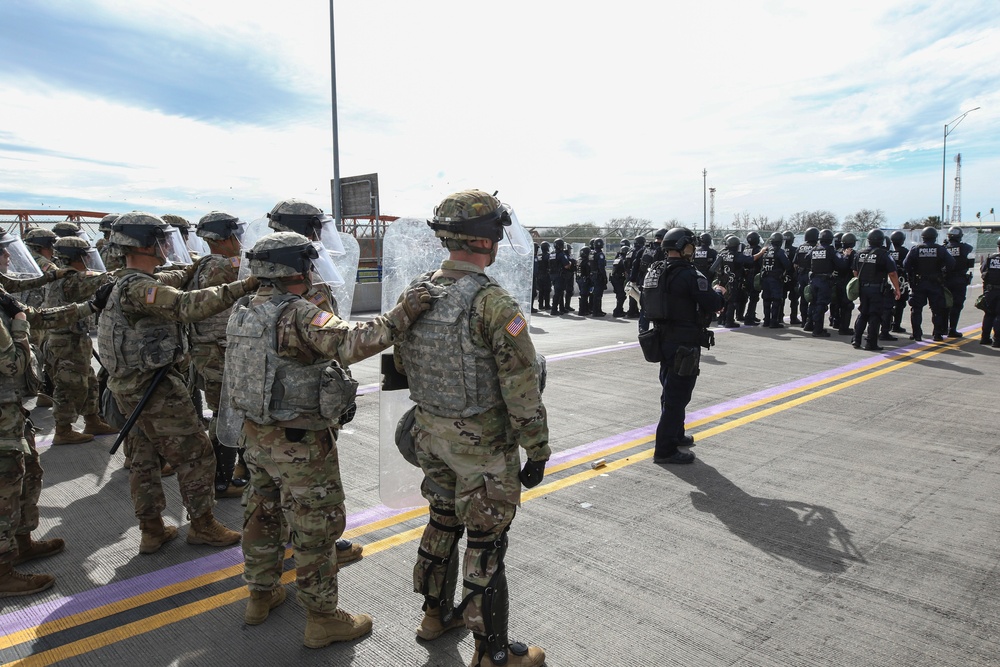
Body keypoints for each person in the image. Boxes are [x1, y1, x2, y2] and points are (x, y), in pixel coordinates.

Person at [228, 231, 430, 647]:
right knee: (315, 526)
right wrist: (402, 312)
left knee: (261, 513)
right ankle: (323, 618)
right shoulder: (299, 313)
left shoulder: (245, 309)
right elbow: (352, 343)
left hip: (255, 436)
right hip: (299, 443)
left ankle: (260, 595)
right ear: (295, 269)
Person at [395, 189, 548, 667]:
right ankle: (493, 653)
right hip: (481, 448)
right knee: (486, 542)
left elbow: (399, 364)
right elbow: (521, 390)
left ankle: (435, 616)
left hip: (428, 433)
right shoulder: (494, 304)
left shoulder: (416, 294)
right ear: (490, 240)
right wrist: (537, 449)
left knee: (442, 521)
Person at [96, 212, 254, 555]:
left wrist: (191, 269)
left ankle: (152, 530)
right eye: (162, 240)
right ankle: (203, 525)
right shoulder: (140, 288)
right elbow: (185, 305)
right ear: (144, 244)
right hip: (153, 390)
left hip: (127, 387)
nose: (169, 245)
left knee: (143, 460)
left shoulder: (125, 279)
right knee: (196, 454)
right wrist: (244, 284)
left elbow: (173, 277)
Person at [264, 198, 364, 562]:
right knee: (310, 486)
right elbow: (335, 343)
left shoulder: (260, 275)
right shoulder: (307, 281)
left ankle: (280, 546)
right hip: (305, 400)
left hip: (265, 399)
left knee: (272, 483)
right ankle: (314, 547)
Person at [0, 280, 105, 597]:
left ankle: (22, 543)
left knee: (28, 475)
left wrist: (91, 306)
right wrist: (19, 330)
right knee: (4, 490)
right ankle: (3, 571)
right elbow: (11, 364)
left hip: (12, 413)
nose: (5, 257)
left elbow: (40, 316)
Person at [642, 227, 724, 464]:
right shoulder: (690, 274)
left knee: (670, 390)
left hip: (663, 340)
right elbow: (712, 303)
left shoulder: (656, 271)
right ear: (683, 247)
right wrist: (719, 291)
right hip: (684, 343)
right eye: (691, 245)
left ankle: (676, 434)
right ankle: (665, 450)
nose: (693, 249)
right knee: (678, 396)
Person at [187, 212, 246, 498]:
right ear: (224, 237)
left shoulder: (202, 264)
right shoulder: (224, 265)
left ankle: (228, 475)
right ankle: (220, 481)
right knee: (226, 416)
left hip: (208, 350)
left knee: (224, 413)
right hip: (218, 351)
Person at [42, 237, 117, 444]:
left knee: (89, 382)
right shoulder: (71, 279)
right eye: (84, 255)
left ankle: (92, 420)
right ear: (75, 257)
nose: (87, 260)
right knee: (68, 386)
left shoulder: (65, 275)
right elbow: (106, 280)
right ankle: (63, 429)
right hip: (66, 340)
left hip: (75, 338)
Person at [851, 229, 901, 351]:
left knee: (863, 313)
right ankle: (871, 343)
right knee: (875, 315)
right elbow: (893, 273)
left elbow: (855, 271)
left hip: (863, 288)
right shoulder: (883, 254)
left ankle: (856, 340)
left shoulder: (860, 253)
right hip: (877, 289)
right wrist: (897, 289)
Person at [902, 226, 955, 342]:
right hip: (935, 283)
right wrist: (943, 271)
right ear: (935, 237)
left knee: (916, 309)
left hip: (919, 283)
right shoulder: (940, 249)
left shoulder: (916, 249)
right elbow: (951, 263)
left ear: (923, 237)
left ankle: (916, 334)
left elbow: (905, 264)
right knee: (937, 310)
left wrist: (914, 272)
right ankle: (937, 334)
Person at [805, 229, 850, 338]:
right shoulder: (830, 250)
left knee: (814, 303)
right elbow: (842, 264)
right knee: (821, 305)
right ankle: (818, 330)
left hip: (814, 279)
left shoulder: (814, 249)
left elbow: (806, 258)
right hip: (824, 281)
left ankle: (810, 324)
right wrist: (846, 256)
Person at [711, 235, 753, 328]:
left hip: (722, 281)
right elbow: (750, 260)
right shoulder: (736, 255)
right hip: (733, 281)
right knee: (731, 301)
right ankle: (729, 321)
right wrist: (761, 252)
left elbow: (714, 268)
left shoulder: (722, 253)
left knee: (723, 300)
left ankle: (721, 319)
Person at [943, 227, 975, 337]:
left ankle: (941, 329)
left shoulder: (944, 248)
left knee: (944, 304)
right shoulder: (965, 247)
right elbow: (970, 256)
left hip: (945, 279)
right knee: (956, 306)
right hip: (959, 280)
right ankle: (952, 329)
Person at [759, 232, 791, 328]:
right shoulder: (780, 251)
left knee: (766, 299)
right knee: (776, 299)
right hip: (775, 279)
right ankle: (774, 322)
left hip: (765, 278)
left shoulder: (766, 251)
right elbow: (787, 265)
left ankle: (766, 320)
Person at [884, 230, 909, 336]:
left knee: (889, 303)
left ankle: (887, 324)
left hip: (888, 280)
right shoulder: (904, 252)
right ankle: (896, 325)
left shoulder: (887, 252)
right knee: (900, 303)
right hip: (900, 281)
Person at [832, 232, 858, 335]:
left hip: (836, 281)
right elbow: (854, 269)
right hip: (847, 282)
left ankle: (835, 322)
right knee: (847, 306)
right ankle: (844, 328)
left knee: (836, 304)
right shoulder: (853, 254)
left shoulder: (837, 252)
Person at [979, 237, 1000, 346]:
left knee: (989, 314)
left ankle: (985, 337)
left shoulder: (990, 258)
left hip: (990, 291)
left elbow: (983, 271)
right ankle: (997, 340)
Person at [742, 231, 763, 324]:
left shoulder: (745, 249)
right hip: (754, 275)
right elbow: (761, 263)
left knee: (748, 296)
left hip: (745, 275)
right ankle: (749, 317)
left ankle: (751, 315)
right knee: (754, 297)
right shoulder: (758, 250)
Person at [781, 231, 800, 325]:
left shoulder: (780, 250)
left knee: (781, 298)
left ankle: (779, 316)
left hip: (782, 276)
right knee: (794, 299)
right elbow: (796, 264)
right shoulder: (795, 250)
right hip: (792, 276)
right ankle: (793, 317)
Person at [624, 235, 645, 318]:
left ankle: (632, 310)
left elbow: (625, 262)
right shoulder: (639, 251)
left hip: (629, 273)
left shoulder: (630, 251)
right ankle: (633, 311)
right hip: (636, 274)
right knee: (636, 293)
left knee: (631, 293)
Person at [610, 238, 630, 317]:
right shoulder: (624, 260)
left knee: (619, 295)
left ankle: (619, 310)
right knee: (621, 295)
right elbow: (626, 270)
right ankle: (617, 311)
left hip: (614, 278)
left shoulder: (617, 258)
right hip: (618, 279)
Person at [548, 238, 569, 316]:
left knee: (559, 292)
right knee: (558, 293)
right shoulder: (561, 254)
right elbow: (566, 265)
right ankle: (554, 309)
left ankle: (562, 308)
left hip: (553, 275)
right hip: (559, 275)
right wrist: (570, 263)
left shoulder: (552, 254)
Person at [589, 238, 608, 317]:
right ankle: (597, 311)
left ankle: (596, 310)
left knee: (594, 294)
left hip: (592, 275)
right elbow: (601, 267)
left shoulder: (591, 253)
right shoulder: (600, 254)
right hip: (598, 276)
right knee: (598, 294)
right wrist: (604, 277)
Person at [575, 245, 592, 316]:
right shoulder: (586, 261)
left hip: (579, 279)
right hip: (584, 279)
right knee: (584, 295)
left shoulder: (578, 260)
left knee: (583, 294)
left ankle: (585, 309)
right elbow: (588, 271)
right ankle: (582, 311)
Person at [535, 242, 551, 312]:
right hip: (546, 275)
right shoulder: (548, 256)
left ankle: (540, 305)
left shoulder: (539, 256)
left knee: (541, 291)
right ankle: (547, 305)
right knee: (547, 291)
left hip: (539, 275)